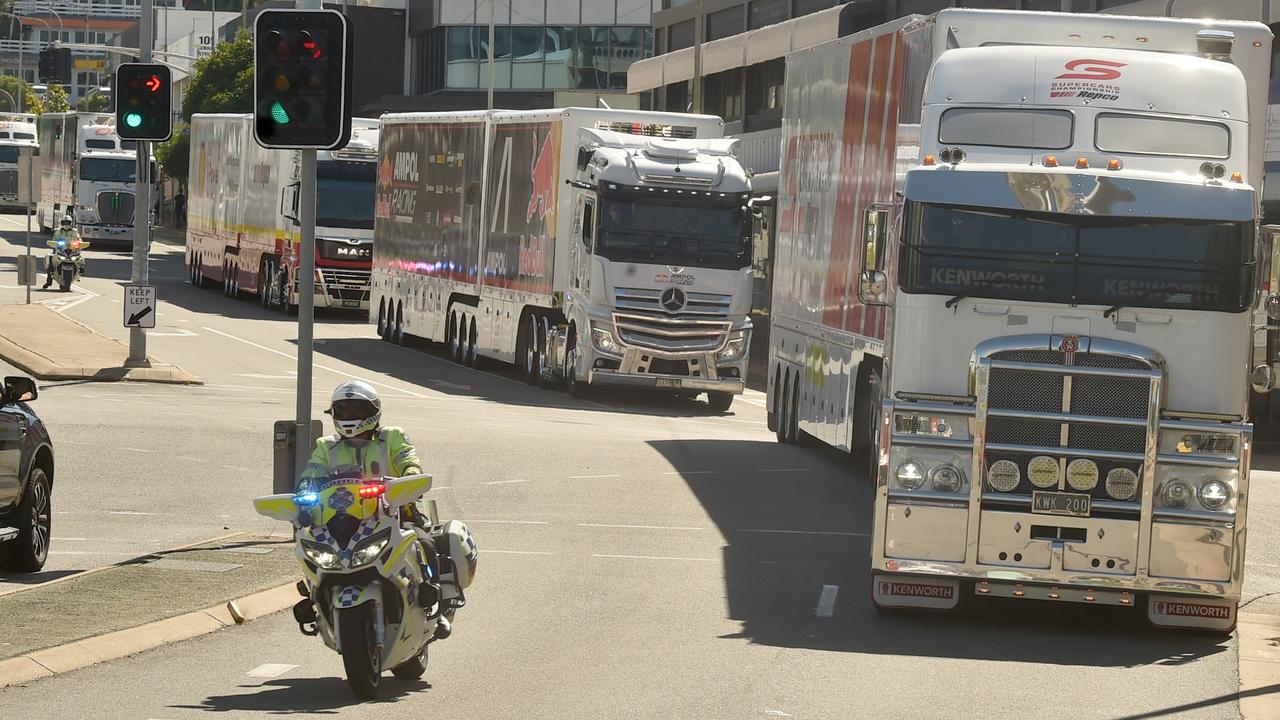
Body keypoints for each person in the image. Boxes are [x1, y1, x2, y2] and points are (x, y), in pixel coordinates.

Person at [298, 380, 452, 638]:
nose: (349, 418)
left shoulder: (392, 437)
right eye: (343, 412)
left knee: (426, 544)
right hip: (340, 522)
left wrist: (411, 477)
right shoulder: (326, 446)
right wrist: (304, 493)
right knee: (311, 550)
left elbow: (408, 460)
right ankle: (316, 600)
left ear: (372, 412)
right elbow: (311, 473)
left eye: (356, 411)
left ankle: (437, 605)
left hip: (395, 515)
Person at [43, 215, 84, 289]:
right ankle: (49, 281)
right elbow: (54, 238)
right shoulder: (58, 231)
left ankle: (81, 270)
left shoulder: (74, 231)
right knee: (50, 258)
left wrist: (79, 243)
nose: (66, 225)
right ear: (61, 223)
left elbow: (78, 239)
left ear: (71, 223)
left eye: (68, 223)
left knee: (81, 258)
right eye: (64, 223)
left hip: (72, 251)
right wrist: (55, 242)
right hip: (60, 250)